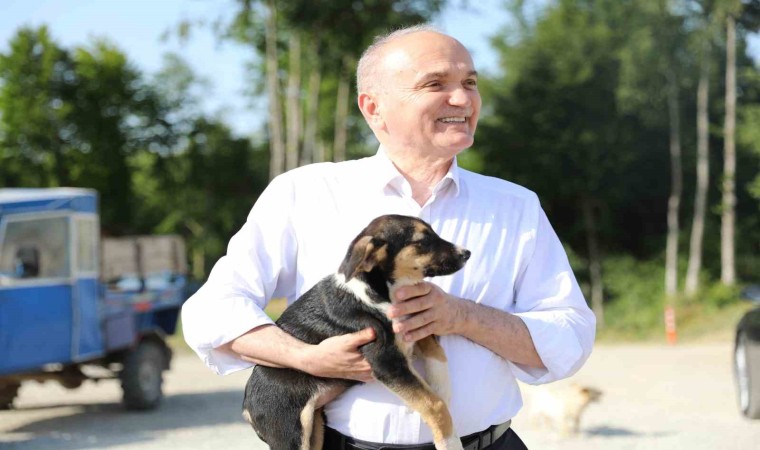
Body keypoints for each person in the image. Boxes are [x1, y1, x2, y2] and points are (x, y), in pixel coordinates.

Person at [182, 24, 596, 450]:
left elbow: (570, 336)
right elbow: (211, 312)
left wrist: (462, 316)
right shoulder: (303, 192)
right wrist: (306, 357)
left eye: (470, 83)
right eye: (435, 84)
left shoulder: (516, 205)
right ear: (373, 108)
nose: (463, 99)